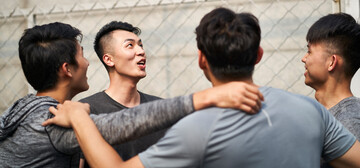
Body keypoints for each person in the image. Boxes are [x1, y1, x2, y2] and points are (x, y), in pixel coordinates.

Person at [44, 8, 360, 168]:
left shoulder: (198, 128)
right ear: (259, 55)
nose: (140, 51)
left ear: (201, 60)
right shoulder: (311, 111)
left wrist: (80, 118)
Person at [0, 22, 264, 167]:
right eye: (82, 56)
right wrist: (207, 97)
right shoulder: (50, 121)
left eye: (141, 45)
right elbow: (124, 123)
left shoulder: (24, 110)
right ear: (66, 69)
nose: (88, 63)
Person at [78, 21, 166, 166]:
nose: (141, 51)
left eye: (141, 45)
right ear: (108, 59)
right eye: (130, 45)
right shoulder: (86, 111)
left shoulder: (161, 109)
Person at [301, 13, 360, 140]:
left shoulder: (348, 123)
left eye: (309, 51)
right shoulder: (322, 115)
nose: (303, 59)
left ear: (331, 62)